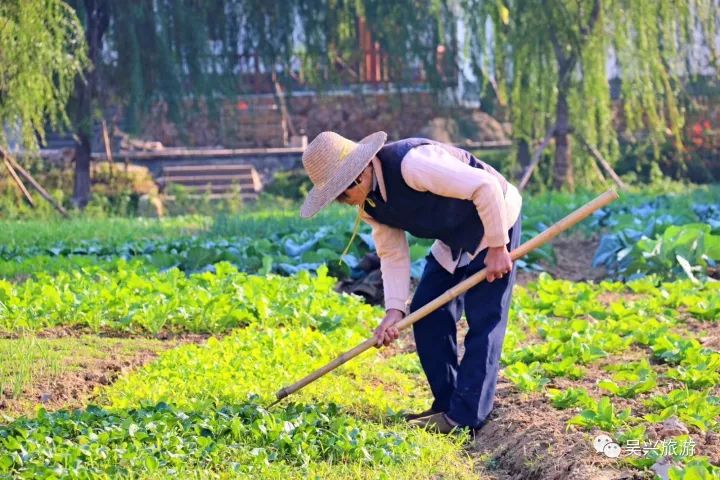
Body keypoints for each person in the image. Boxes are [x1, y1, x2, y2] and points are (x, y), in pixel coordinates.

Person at [299, 131, 522, 434]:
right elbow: (392, 254)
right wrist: (394, 311)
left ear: (358, 174)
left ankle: (466, 418)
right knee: (427, 312)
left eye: (341, 193)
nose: (343, 200)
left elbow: (485, 187)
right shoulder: (368, 205)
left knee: (484, 319)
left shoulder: (412, 164)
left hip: (495, 218)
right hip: (452, 235)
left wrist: (498, 246)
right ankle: (446, 404)